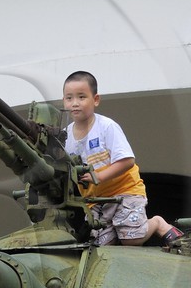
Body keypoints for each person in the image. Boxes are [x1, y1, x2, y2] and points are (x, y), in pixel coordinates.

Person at [62, 70, 183, 248]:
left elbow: (127, 160)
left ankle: (157, 223)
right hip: (97, 200)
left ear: (95, 100)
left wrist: (99, 176)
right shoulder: (66, 136)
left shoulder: (106, 127)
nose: (75, 103)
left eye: (81, 97)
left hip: (125, 191)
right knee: (101, 247)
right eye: (69, 98)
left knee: (132, 239)